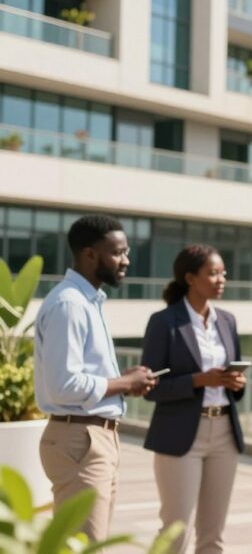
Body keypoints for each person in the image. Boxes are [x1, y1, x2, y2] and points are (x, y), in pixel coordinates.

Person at [35, 214, 155, 540]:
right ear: (90, 254)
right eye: (118, 252)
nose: (126, 260)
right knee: (83, 546)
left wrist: (123, 380)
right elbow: (64, 384)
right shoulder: (69, 305)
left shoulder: (88, 301)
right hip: (80, 440)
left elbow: (81, 375)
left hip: (92, 438)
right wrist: (124, 384)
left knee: (89, 543)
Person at [141, 244, 246, 554]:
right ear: (189, 277)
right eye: (213, 273)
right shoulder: (164, 322)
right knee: (176, 531)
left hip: (225, 432)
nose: (221, 279)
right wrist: (200, 380)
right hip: (180, 434)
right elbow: (151, 387)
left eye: (223, 273)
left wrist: (234, 382)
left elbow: (235, 383)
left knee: (213, 535)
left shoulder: (226, 320)